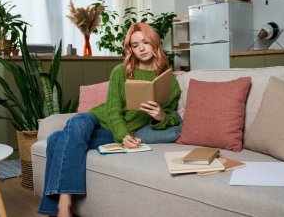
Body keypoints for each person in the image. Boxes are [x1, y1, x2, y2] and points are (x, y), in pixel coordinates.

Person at [37, 22, 182, 217]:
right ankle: (65, 202)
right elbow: (114, 111)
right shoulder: (120, 72)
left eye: (145, 42)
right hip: (99, 119)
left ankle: (52, 210)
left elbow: (172, 117)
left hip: (110, 134)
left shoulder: (169, 80)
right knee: (77, 123)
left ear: (154, 43)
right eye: (135, 44)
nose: (141, 48)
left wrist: (160, 116)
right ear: (130, 48)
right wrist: (124, 136)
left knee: (56, 139)